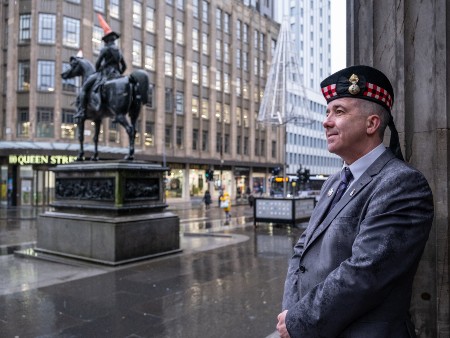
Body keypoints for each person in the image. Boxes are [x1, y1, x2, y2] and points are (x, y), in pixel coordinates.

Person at [277, 65, 434, 338]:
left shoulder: (401, 183)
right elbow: (300, 253)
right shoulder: (332, 182)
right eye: (327, 112)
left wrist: (300, 320)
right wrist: (291, 315)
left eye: (339, 112)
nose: (326, 121)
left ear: (371, 124)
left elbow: (366, 272)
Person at [74, 14, 127, 120]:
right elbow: (124, 66)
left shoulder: (105, 49)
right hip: (116, 74)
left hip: (105, 74)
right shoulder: (119, 51)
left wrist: (98, 71)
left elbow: (98, 63)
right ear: (114, 39)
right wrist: (118, 74)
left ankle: (82, 110)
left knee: (84, 88)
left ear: (107, 40)